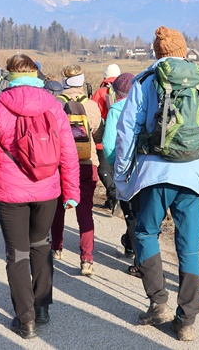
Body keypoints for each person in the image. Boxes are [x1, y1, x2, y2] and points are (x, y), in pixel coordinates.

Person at [113, 26, 199, 341]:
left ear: (157, 52)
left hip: (154, 174)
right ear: (184, 51)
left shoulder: (145, 82)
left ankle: (158, 303)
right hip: (194, 175)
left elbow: (126, 132)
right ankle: (186, 320)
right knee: (188, 247)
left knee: (145, 233)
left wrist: (122, 176)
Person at [0, 54, 80, 340]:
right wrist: (72, 192)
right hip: (47, 189)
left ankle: (26, 319)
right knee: (41, 245)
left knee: (17, 253)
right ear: (35, 75)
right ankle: (42, 308)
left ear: (9, 76)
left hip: (10, 193)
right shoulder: (53, 105)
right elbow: (68, 152)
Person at [50, 64, 103, 276]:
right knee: (85, 211)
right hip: (86, 162)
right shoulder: (91, 105)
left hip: (59, 163)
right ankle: (87, 259)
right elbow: (98, 133)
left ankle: (57, 248)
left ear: (64, 82)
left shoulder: (54, 103)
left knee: (57, 208)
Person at [100, 72, 139, 277]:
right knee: (145, 211)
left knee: (130, 213)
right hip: (146, 165)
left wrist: (114, 164)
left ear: (117, 92)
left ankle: (136, 254)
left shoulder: (116, 109)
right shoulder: (146, 104)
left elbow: (108, 144)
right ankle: (133, 246)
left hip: (125, 167)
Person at [91, 63, 121, 212]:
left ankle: (113, 194)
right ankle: (111, 200)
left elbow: (94, 114)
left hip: (104, 137)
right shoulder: (125, 91)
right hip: (122, 137)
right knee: (115, 170)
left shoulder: (100, 92)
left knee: (103, 168)